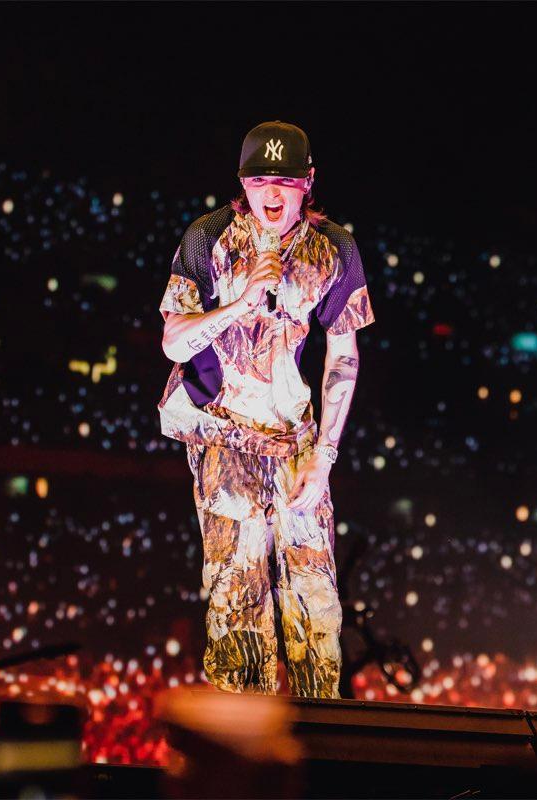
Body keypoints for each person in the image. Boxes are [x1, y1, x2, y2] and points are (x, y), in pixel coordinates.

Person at [157, 120, 375, 698]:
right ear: (242, 183)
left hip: (296, 442)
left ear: (308, 182)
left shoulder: (335, 249)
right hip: (224, 434)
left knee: (316, 603)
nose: (271, 195)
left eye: (283, 181)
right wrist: (240, 302)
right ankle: (244, 756)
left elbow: (343, 353)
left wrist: (324, 456)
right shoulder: (208, 238)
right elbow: (175, 341)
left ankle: (321, 741)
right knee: (236, 598)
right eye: (259, 181)